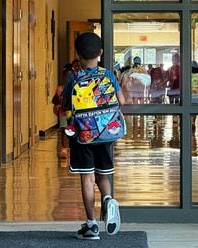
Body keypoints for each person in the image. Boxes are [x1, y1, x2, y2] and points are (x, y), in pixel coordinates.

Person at [62, 32, 125, 240]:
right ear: (101, 52)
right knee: (103, 174)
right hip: (106, 133)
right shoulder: (108, 76)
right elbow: (121, 101)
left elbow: (65, 106)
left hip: (84, 134)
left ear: (78, 55)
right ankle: (108, 199)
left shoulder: (74, 78)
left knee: (87, 177)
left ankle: (91, 226)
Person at [52, 63, 72, 159]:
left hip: (72, 112)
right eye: (66, 75)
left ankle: (69, 148)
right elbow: (55, 101)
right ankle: (64, 148)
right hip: (63, 112)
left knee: (71, 129)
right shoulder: (60, 88)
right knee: (64, 130)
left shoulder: (75, 86)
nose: (67, 76)